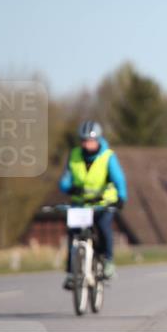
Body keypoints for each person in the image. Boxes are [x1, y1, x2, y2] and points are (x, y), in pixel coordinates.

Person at [58, 120, 127, 289]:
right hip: (80, 204)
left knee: (103, 227)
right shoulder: (74, 155)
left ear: (98, 140)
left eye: (91, 141)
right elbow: (65, 179)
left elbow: (119, 179)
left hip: (103, 203)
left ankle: (108, 261)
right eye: (84, 141)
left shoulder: (107, 156)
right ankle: (71, 272)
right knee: (73, 234)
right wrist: (69, 187)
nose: (87, 144)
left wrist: (121, 198)